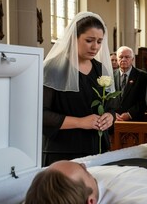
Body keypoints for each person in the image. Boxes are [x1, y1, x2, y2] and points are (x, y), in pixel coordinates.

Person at [42, 12, 115, 166]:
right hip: (62, 150)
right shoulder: (53, 68)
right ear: (73, 38)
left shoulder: (100, 69)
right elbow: (41, 114)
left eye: (99, 41)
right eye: (89, 40)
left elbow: (111, 106)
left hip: (97, 148)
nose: (95, 47)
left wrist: (110, 116)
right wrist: (80, 122)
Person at [24, 159, 147, 204]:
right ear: (91, 201)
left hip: (131, 163)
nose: (84, 164)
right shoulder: (135, 200)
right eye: (85, 171)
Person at [110, 46, 147, 122]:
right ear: (117, 59)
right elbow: (108, 98)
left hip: (134, 121)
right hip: (114, 121)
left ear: (132, 59)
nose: (123, 59)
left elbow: (145, 100)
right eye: (121, 57)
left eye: (127, 57)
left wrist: (129, 114)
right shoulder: (111, 76)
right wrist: (113, 113)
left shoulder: (143, 76)